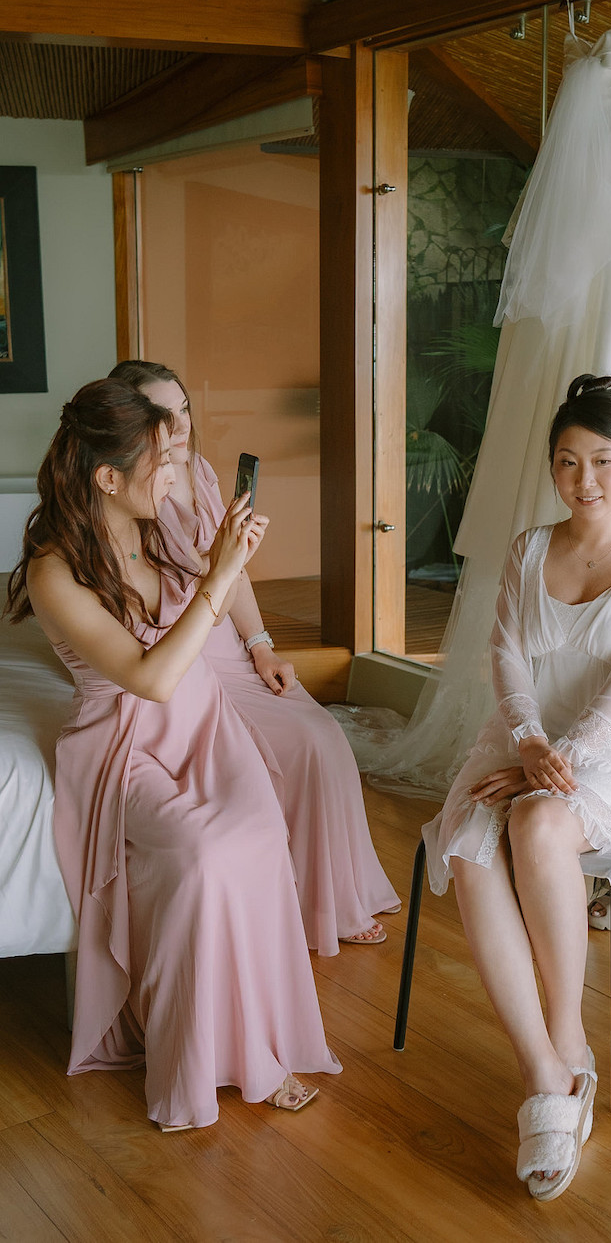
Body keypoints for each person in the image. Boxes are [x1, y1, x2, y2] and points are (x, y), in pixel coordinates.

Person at [5, 380, 341, 1130]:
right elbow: (150, 679)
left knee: (257, 840)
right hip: (127, 746)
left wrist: (229, 569)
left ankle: (262, 1049)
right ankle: (190, 1054)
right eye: (161, 461)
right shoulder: (53, 571)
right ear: (107, 477)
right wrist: (217, 575)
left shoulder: (157, 528)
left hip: (207, 729)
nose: (174, 474)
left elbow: (210, 629)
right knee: (203, 854)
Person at [422, 376, 611, 1201]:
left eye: (603, 461)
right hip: (528, 735)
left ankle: (570, 1041)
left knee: (537, 824)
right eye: (567, 462)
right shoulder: (528, 549)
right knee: (469, 839)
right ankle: (546, 1076)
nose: (584, 480)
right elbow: (504, 656)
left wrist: (555, 760)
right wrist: (532, 741)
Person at [106, 360, 400, 953]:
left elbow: (234, 575)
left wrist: (261, 646)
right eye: (163, 415)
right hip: (182, 649)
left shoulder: (206, 474)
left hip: (229, 645)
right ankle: (289, 900)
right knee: (292, 747)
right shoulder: (136, 491)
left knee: (325, 736)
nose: (179, 424)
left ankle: (325, 895)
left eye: (183, 409)